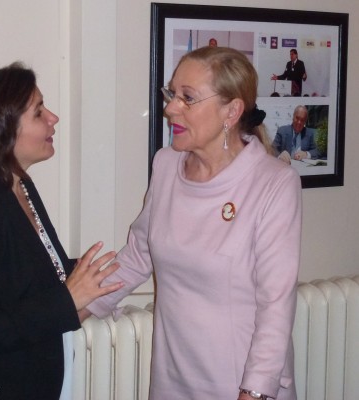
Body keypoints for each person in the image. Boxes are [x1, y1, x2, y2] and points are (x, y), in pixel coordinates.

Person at [81, 47, 302, 399]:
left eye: (188, 98)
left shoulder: (274, 183)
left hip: (239, 380)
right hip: (173, 376)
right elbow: (138, 255)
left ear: (231, 111)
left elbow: (276, 303)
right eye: (172, 94)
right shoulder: (166, 164)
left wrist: (255, 391)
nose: (170, 108)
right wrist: (73, 309)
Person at [0, 63, 124, 400]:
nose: (53, 118)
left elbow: (28, 279)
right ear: (0, 130)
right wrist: (67, 300)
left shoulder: (21, 188)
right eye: (38, 112)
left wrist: (103, 272)